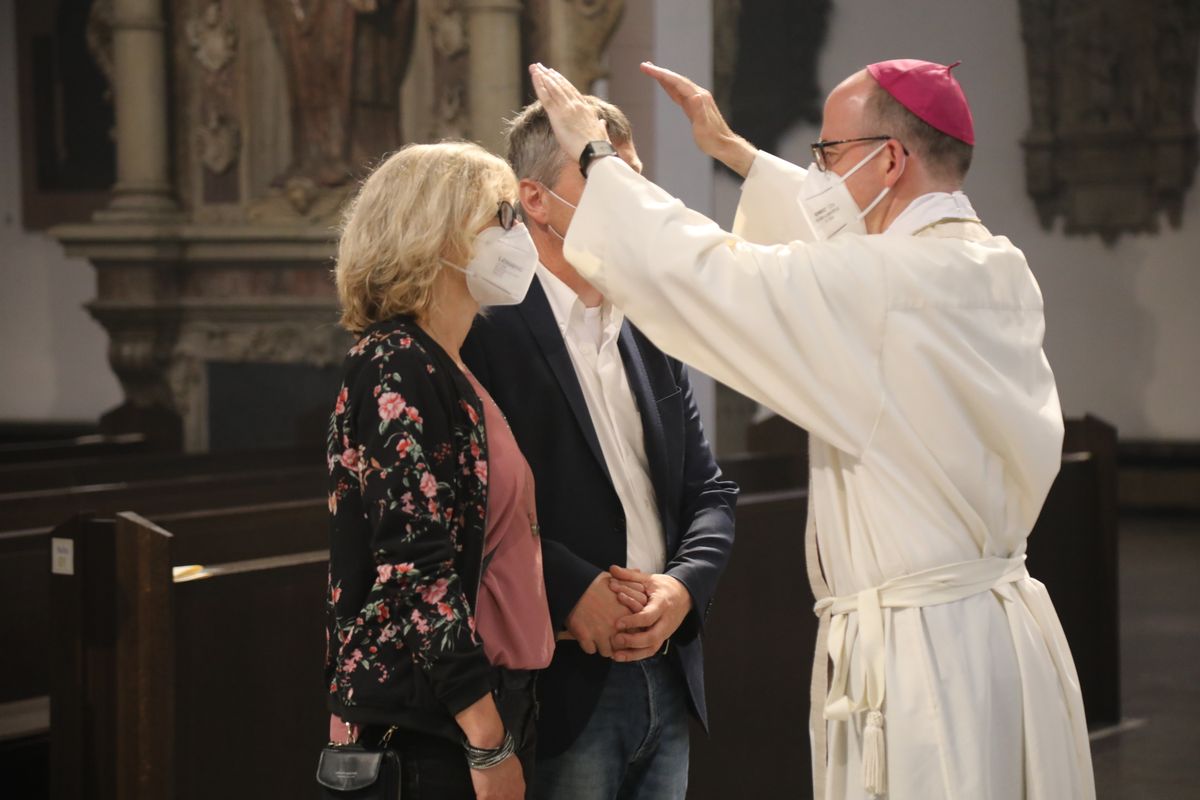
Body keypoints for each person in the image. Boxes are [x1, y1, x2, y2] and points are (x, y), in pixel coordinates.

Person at [528, 59, 1096, 800]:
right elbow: (842, 260)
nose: (818, 177)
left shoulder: (885, 288)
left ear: (890, 157)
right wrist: (737, 155)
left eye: (827, 155)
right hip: (1000, 634)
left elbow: (716, 277)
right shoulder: (993, 268)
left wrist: (597, 161)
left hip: (923, 660)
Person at [460, 97, 738, 800]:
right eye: (606, 181)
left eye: (634, 180)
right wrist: (572, 588)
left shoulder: (646, 319)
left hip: (667, 662)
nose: (632, 201)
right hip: (564, 671)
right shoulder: (485, 329)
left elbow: (708, 493)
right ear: (536, 200)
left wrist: (681, 587)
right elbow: (473, 506)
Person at [324, 141, 556, 800]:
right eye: (502, 218)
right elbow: (416, 570)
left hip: (490, 700)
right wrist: (486, 740)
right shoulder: (394, 363)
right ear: (436, 232)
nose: (521, 235)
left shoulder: (448, 364)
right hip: (435, 724)